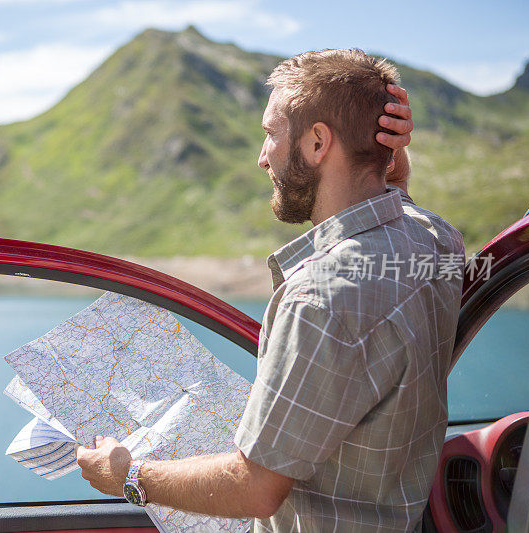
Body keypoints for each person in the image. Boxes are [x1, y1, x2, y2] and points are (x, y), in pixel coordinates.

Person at [76, 49, 464, 532]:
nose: (263, 158)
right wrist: (384, 157)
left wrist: (127, 475)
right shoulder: (437, 239)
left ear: (318, 142)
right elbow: (396, 207)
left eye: (270, 135)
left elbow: (256, 487)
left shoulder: (320, 298)